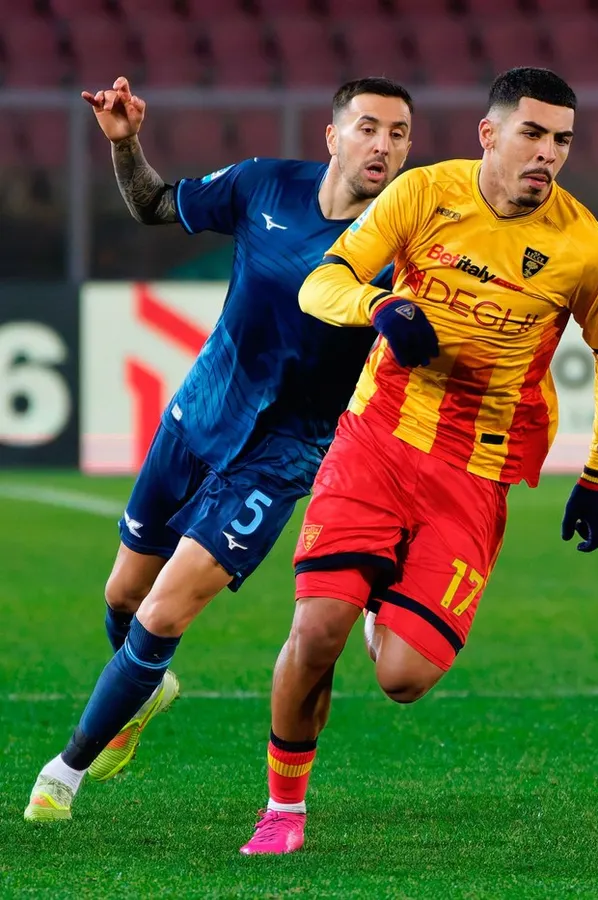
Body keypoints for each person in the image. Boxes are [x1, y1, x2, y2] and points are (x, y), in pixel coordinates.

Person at [238, 67, 598, 855]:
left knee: (403, 680)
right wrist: (381, 306)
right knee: (317, 627)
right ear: (489, 134)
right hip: (378, 439)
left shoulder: (587, 249)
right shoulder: (425, 195)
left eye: (561, 140)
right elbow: (324, 283)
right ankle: (284, 810)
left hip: (476, 472)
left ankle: (380, 595)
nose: (547, 154)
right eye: (532, 134)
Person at [24, 75, 416, 822]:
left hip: (284, 456)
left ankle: (64, 771)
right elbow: (152, 203)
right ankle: (147, 692)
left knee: (166, 613)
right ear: (333, 136)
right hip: (199, 417)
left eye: (398, 133)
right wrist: (125, 142)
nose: (383, 145)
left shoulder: (405, 250)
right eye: (368, 127)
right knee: (123, 598)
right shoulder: (262, 185)